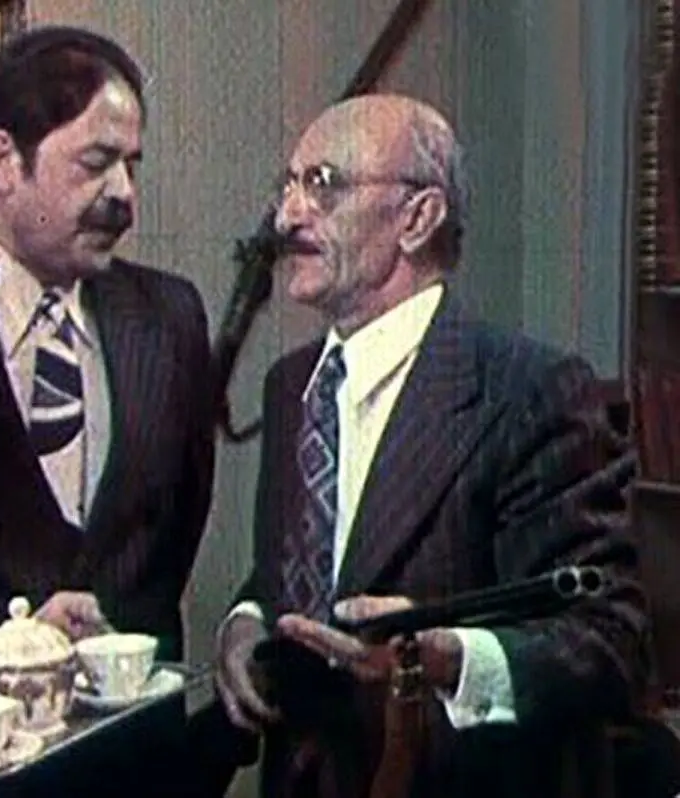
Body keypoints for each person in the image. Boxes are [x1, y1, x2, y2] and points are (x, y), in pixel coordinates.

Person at [212, 94, 653, 798]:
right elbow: (309, 564)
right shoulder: (290, 385)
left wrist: (442, 661)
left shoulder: (531, 391)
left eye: (322, 184)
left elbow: (610, 642)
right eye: (286, 185)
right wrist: (245, 623)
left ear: (417, 218)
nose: (287, 216)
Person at [0, 25, 217, 796]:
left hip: (138, 773)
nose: (124, 195)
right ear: (4, 161)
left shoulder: (169, 318)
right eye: (96, 163)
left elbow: (172, 536)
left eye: (132, 166)